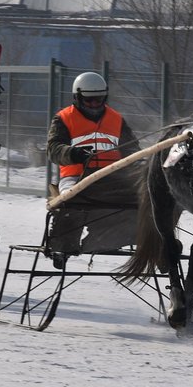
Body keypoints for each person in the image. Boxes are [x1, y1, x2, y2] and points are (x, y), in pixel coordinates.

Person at [46, 71, 141, 267]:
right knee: (70, 201)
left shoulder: (116, 119)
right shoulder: (63, 119)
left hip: (114, 178)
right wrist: (73, 154)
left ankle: (132, 239)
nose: (95, 105)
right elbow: (53, 149)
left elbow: (132, 148)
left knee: (141, 199)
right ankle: (63, 245)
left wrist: (138, 162)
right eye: (89, 101)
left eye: (99, 100)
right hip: (76, 177)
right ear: (77, 97)